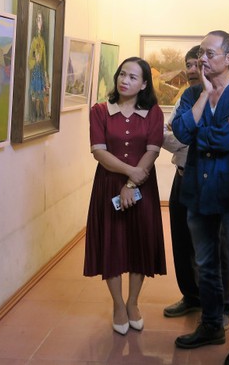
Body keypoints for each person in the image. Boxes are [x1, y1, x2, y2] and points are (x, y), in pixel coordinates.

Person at [172, 30, 229, 354]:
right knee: (205, 263)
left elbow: (226, 139)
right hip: (197, 191)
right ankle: (211, 325)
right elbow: (181, 132)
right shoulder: (193, 93)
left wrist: (199, 132)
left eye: (209, 53)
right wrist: (205, 95)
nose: (202, 59)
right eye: (200, 53)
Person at [83, 57, 166, 335]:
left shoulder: (153, 112)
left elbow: (152, 151)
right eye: (122, 74)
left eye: (132, 77)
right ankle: (118, 305)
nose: (124, 80)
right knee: (112, 244)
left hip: (142, 186)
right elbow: (99, 152)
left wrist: (131, 183)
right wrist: (131, 172)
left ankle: (133, 303)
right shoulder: (99, 111)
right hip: (109, 184)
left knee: (139, 243)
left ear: (143, 84)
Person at [162, 45, 229, 321]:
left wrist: (191, 135)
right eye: (189, 65)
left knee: (217, 246)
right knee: (181, 241)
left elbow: (221, 140)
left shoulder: (228, 96)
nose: (194, 70)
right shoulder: (187, 97)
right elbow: (168, 135)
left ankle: (224, 304)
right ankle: (191, 296)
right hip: (183, 176)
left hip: (212, 181)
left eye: (198, 64)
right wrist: (194, 136)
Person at [28, 10, 49, 121]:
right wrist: (34, 60)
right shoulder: (34, 40)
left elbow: (44, 58)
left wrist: (45, 74)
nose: (39, 22)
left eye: (40, 20)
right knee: (34, 94)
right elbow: (30, 57)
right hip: (35, 70)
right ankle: (33, 115)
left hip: (40, 71)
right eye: (37, 19)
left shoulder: (42, 41)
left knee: (40, 95)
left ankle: (39, 115)